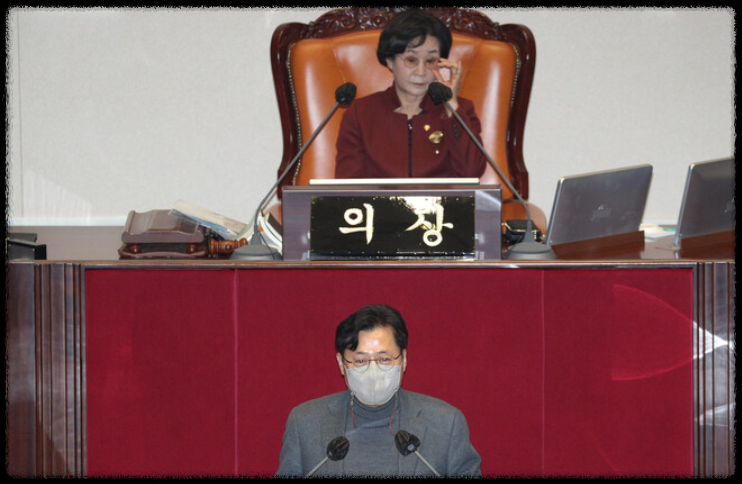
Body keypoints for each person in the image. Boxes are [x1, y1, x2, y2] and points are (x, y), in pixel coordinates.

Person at [275, 304, 481, 477]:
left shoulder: (446, 424)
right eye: (360, 361)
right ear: (341, 363)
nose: (373, 370)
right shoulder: (304, 423)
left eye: (384, 359)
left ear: (403, 359)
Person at [334, 9, 487, 180]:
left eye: (430, 61)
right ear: (390, 62)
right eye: (411, 60)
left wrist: (451, 104)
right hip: (378, 198)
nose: (421, 72)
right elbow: (347, 184)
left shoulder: (460, 110)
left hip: (442, 198)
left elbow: (471, 173)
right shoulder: (360, 113)